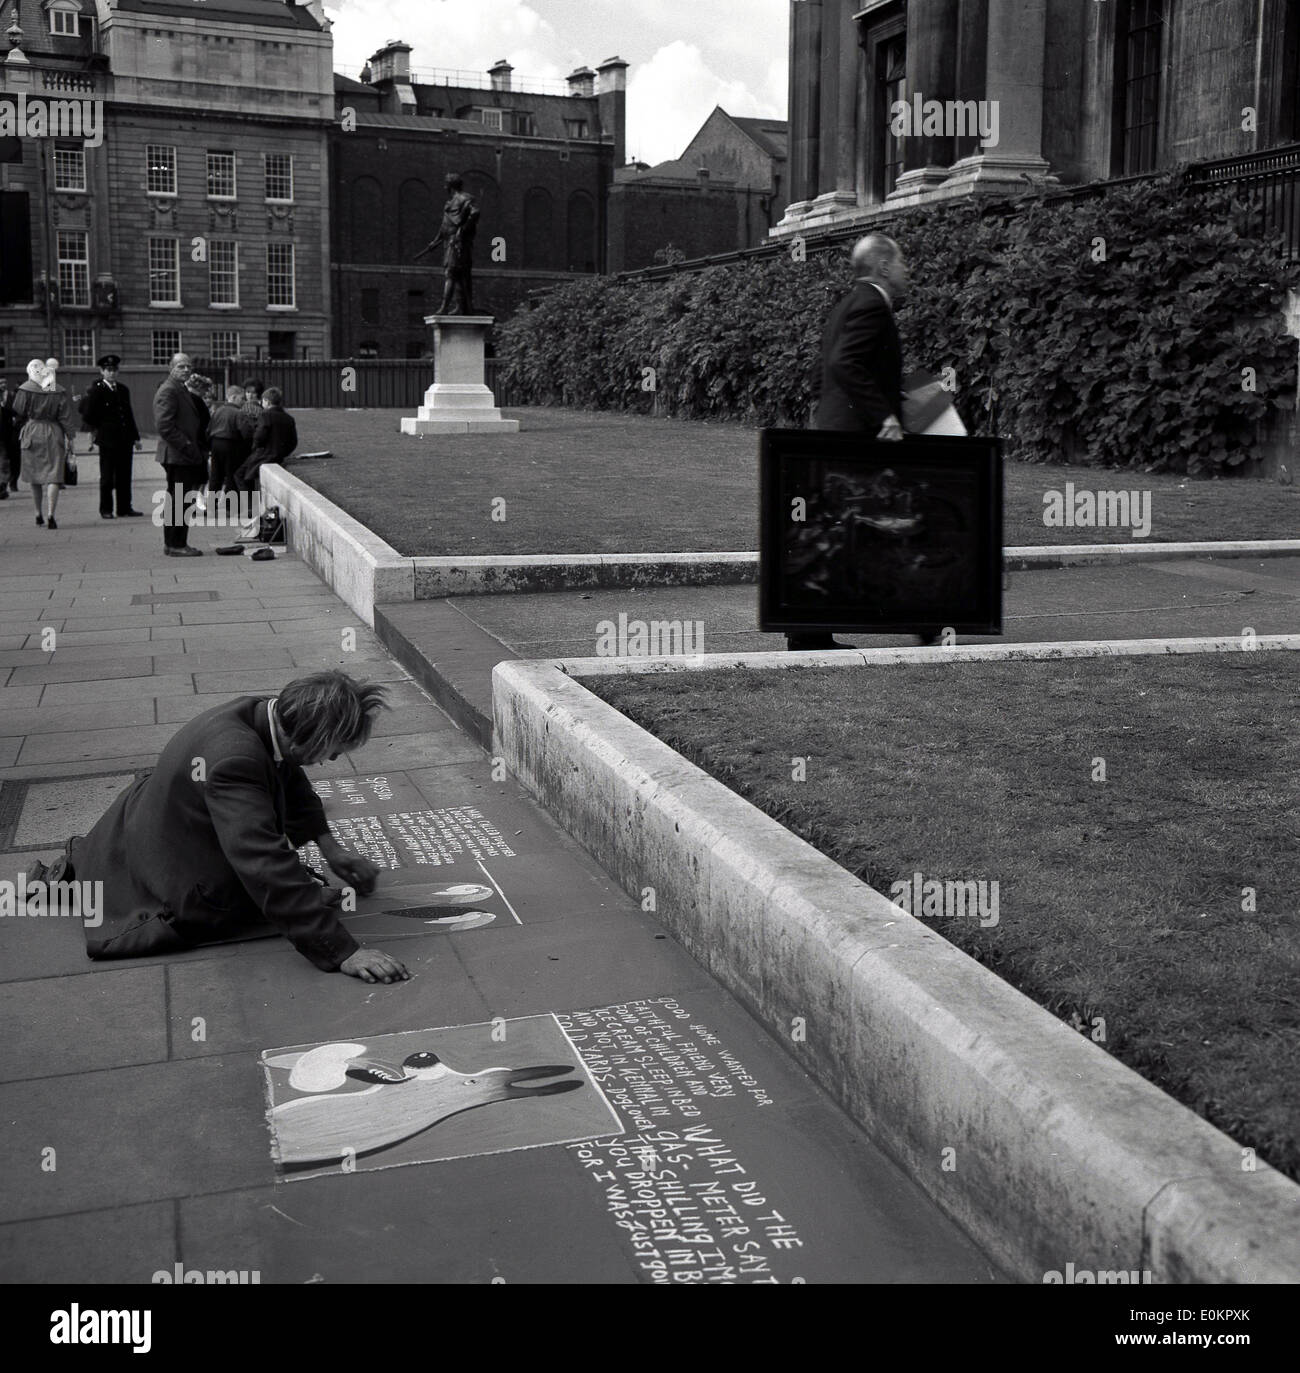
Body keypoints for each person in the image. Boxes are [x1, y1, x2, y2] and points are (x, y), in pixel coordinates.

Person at [31, 671, 410, 984]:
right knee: (291, 891)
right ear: (307, 737)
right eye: (334, 749)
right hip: (176, 880)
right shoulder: (234, 759)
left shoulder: (266, 714)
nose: (333, 759)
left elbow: (290, 777)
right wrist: (341, 950)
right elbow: (260, 860)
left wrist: (331, 848)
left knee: (308, 887)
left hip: (146, 827)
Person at [793, 234, 938, 649]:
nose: (907, 269)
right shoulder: (872, 304)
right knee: (897, 519)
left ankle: (810, 632)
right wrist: (884, 416)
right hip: (860, 436)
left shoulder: (846, 303)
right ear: (883, 267)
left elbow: (827, 371)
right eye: (902, 261)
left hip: (841, 430)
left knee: (840, 527)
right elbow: (844, 364)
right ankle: (924, 620)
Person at [11, 358, 76, 529]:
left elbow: (18, 409)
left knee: (35, 476)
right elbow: (65, 417)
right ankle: (51, 515)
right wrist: (71, 438)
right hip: (54, 432)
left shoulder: (25, 389)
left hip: (32, 431)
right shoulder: (57, 390)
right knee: (54, 475)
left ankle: (37, 513)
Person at [153, 352, 207, 556]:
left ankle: (174, 543)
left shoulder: (179, 389)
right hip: (178, 454)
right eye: (181, 366)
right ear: (170, 367)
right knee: (181, 500)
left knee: (180, 499)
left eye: (188, 366)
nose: (186, 370)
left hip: (181, 454)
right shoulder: (169, 390)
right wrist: (188, 446)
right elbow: (164, 426)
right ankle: (177, 544)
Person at [79, 354, 144, 519]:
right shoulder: (97, 390)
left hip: (125, 438)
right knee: (107, 476)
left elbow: (128, 414)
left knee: (125, 474)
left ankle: (124, 507)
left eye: (114, 370)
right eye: (108, 370)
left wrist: (136, 437)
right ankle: (106, 509)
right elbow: (87, 415)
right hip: (108, 439)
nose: (112, 373)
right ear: (102, 371)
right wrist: (101, 427)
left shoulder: (123, 389)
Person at [415, 173, 480, 315]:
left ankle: (444, 307)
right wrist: (435, 240)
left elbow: (475, 212)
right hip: (449, 242)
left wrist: (462, 231)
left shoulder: (465, 198)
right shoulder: (449, 203)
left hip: (459, 243)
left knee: (451, 273)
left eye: (446, 184)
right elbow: (445, 226)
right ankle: (460, 306)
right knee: (456, 275)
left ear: (449, 186)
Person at [234, 385, 297, 492]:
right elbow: (293, 442)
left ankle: (250, 506)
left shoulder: (265, 415)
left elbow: (260, 436)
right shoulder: (289, 418)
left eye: (263, 401)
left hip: (264, 454)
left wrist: (255, 448)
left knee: (240, 474)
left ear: (267, 401)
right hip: (279, 455)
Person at [207, 385, 246, 497]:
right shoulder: (238, 413)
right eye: (241, 398)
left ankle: (211, 504)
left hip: (215, 444)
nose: (243, 401)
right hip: (231, 444)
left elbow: (209, 429)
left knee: (215, 475)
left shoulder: (218, 411)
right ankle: (230, 506)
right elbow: (245, 432)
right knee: (231, 475)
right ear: (233, 397)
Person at [0, 375, 16, 498]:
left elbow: (14, 412)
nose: (3, 385)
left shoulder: (11, 395)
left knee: (5, 461)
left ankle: (4, 485)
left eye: (4, 382)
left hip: (6, 435)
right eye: (1, 383)